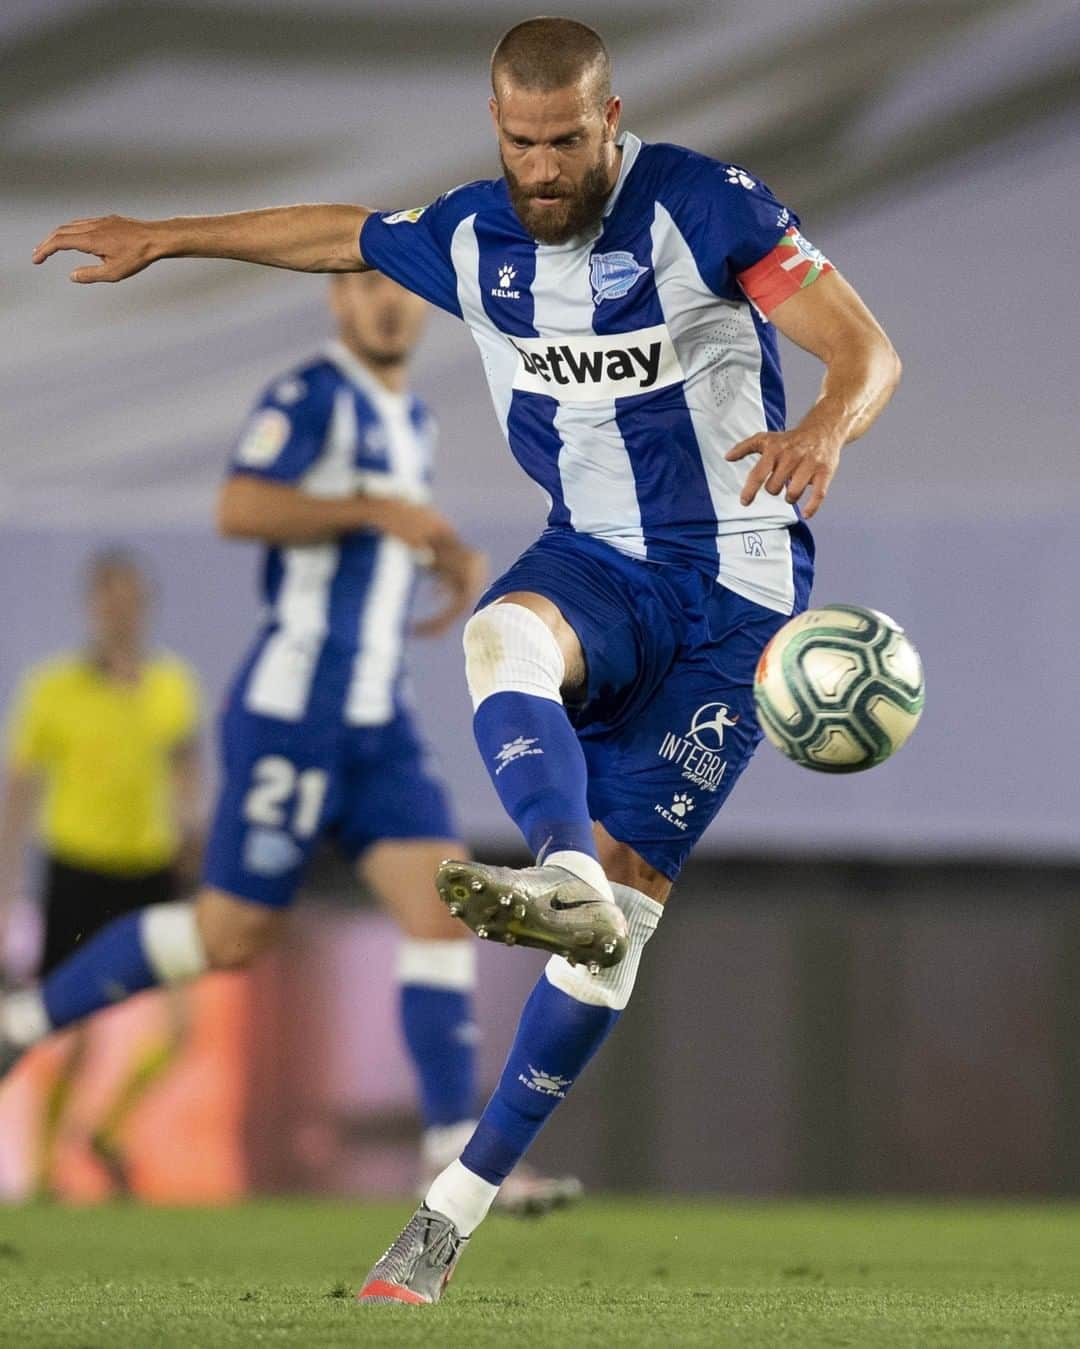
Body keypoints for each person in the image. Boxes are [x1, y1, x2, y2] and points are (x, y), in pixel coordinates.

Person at [22, 14, 901, 1304]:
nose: (539, 169)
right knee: (502, 635)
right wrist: (166, 234)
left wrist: (826, 421)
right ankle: (552, 865)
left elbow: (864, 346)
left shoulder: (705, 206)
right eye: (517, 143)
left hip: (737, 599)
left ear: (611, 120)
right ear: (500, 131)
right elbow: (339, 231)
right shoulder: (478, 237)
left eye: (562, 142)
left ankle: (443, 1216)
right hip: (594, 558)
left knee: (617, 934)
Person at [2, 270, 579, 1214]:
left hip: (376, 720)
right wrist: (375, 511)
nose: (385, 303)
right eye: (362, 285)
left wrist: (439, 553)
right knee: (231, 936)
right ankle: (25, 1019)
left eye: (400, 290)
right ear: (337, 304)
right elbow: (242, 507)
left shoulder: (414, 422)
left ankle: (450, 1151)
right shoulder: (311, 395)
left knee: (443, 905)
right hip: (293, 708)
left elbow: (378, 538)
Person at [0, 550, 202, 1196]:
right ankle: (37, 1174)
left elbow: (186, 764)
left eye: (129, 597)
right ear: (94, 604)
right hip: (78, 871)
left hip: (148, 870)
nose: (119, 609)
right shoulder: (51, 686)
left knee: (178, 1027)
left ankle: (107, 1130)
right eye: (108, 597)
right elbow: (20, 793)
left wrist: (190, 836)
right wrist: (7, 889)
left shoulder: (171, 683)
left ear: (142, 603)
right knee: (70, 1035)